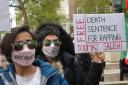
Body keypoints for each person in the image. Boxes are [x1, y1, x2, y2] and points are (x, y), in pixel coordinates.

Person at [35, 22, 105, 85]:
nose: (53, 45)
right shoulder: (33, 66)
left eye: (56, 42)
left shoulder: (72, 64)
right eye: (48, 42)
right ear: (41, 45)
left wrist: (96, 64)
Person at [0, 25, 68, 85]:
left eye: (30, 44)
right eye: (18, 45)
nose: (26, 50)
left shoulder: (53, 75)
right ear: (8, 50)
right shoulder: (2, 79)